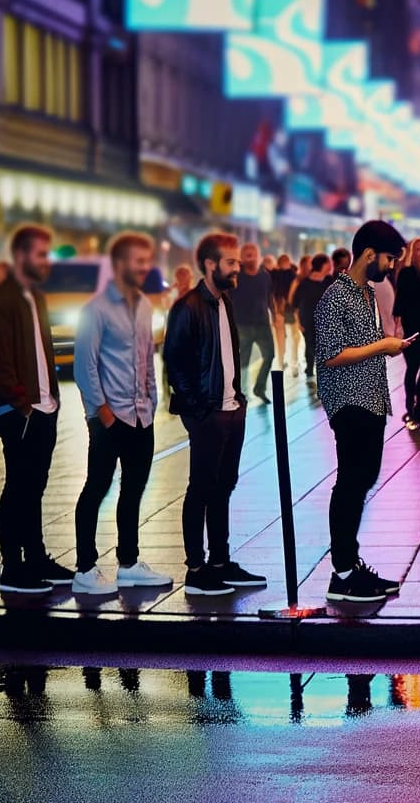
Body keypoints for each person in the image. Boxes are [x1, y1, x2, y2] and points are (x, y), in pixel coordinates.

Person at [164, 232, 269, 597]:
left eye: (238, 261)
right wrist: (200, 410)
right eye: (231, 262)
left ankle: (221, 562)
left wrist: (236, 401)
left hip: (231, 410)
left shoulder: (226, 302)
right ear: (211, 265)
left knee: (223, 487)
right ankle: (196, 570)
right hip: (208, 413)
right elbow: (175, 365)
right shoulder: (188, 306)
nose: (238, 267)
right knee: (201, 490)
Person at [69, 232, 172, 596]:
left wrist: (152, 400)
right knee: (96, 488)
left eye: (147, 260)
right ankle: (84, 568)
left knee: (133, 490)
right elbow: (85, 366)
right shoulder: (95, 309)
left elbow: (147, 360)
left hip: (141, 417)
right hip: (109, 419)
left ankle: (128, 563)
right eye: (137, 261)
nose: (144, 267)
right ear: (118, 264)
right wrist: (104, 412)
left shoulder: (145, 306)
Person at [316, 220, 410, 603]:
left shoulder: (366, 293)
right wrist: (383, 346)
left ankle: (351, 565)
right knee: (351, 482)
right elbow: (333, 355)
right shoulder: (335, 296)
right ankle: (342, 573)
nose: (390, 266)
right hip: (348, 401)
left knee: (363, 479)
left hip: (371, 398)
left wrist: (387, 345)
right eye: (388, 258)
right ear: (369, 254)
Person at [0, 225, 70, 596]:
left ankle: (35, 557)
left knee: (35, 488)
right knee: (17, 486)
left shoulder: (36, 297)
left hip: (42, 408)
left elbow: (42, 352)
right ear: (20, 256)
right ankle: (12, 567)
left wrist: (51, 402)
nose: (46, 262)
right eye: (40, 255)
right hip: (20, 412)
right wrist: (22, 404)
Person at [393, 238, 420, 430]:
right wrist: (397, 323)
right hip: (411, 329)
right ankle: (410, 409)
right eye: (416, 250)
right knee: (412, 369)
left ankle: (417, 411)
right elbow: (400, 299)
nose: (419, 253)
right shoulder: (406, 274)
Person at [229, 242, 277, 404]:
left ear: (258, 255)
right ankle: (242, 393)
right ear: (241, 257)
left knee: (270, 354)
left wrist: (275, 315)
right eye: (246, 252)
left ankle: (259, 388)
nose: (250, 255)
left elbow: (269, 297)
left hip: (262, 322)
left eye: (253, 252)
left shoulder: (265, 275)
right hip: (243, 324)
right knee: (244, 359)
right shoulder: (236, 276)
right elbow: (227, 298)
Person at [293, 253, 332, 382]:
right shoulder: (305, 283)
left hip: (324, 322)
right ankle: (312, 369)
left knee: (320, 346)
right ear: (322, 265)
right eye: (328, 263)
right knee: (310, 345)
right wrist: (298, 322)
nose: (330, 265)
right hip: (307, 321)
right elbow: (295, 304)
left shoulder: (328, 281)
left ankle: (315, 370)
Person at [270, 253, 297, 375]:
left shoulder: (273, 275)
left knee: (280, 339)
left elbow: (272, 293)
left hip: (278, 309)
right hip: (291, 308)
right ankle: (293, 363)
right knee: (294, 337)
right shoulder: (293, 275)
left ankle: (280, 363)